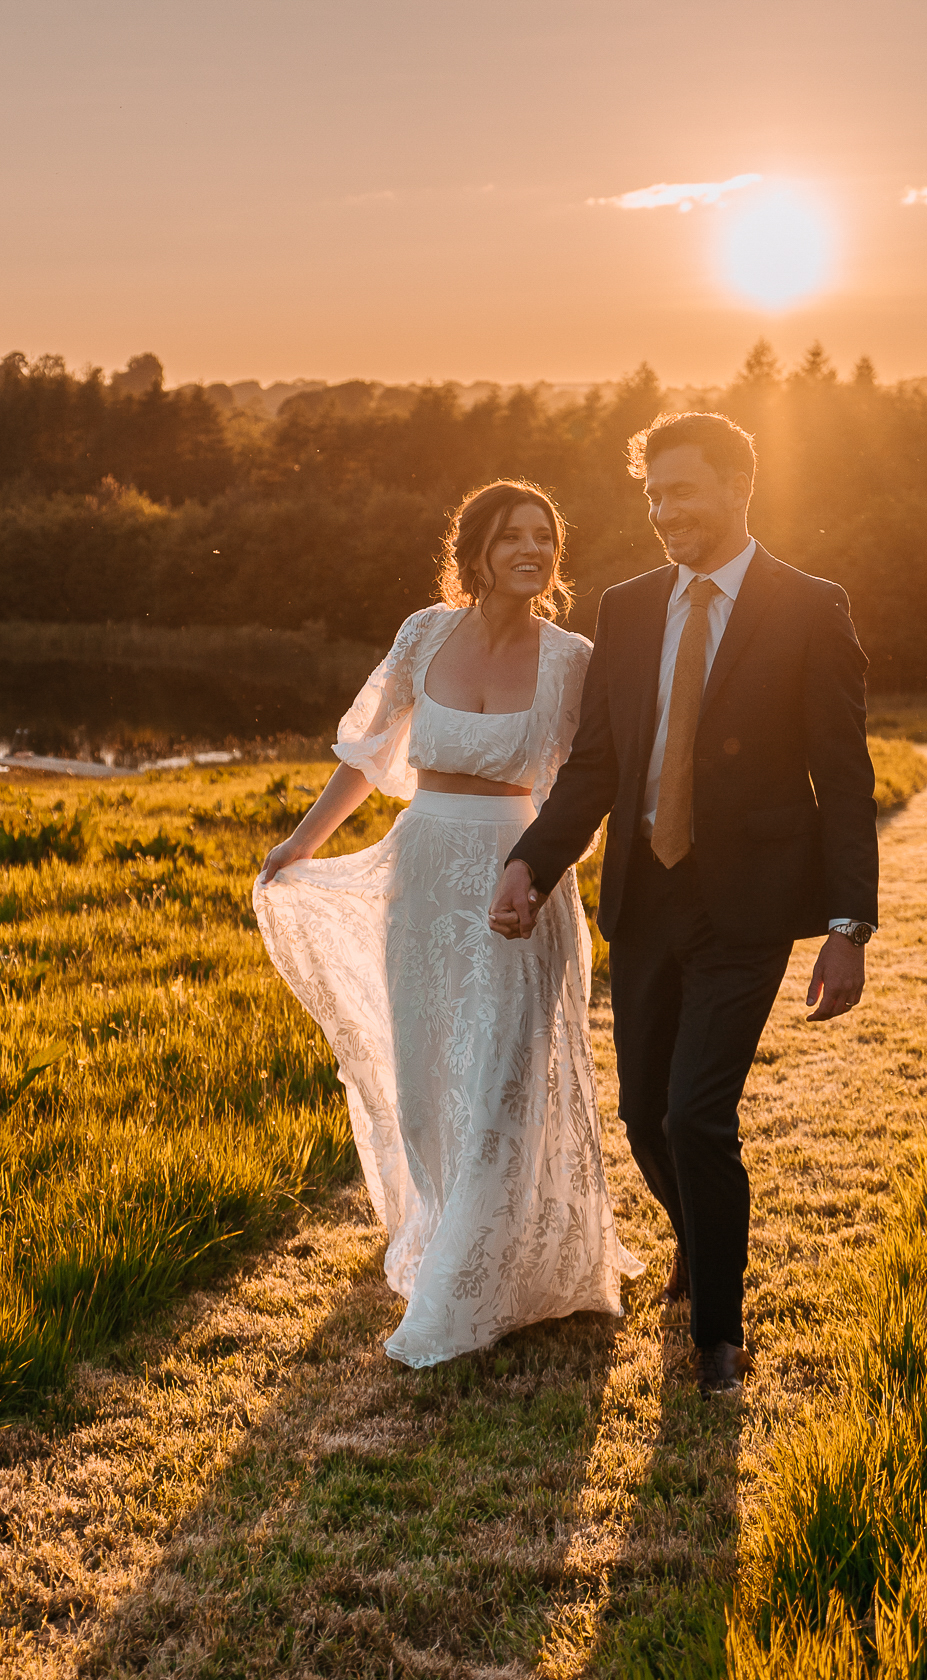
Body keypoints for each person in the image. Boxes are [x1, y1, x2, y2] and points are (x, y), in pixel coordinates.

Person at [488, 413, 878, 1398]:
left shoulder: (808, 606)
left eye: (683, 492)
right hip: (646, 902)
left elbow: (842, 773)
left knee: (697, 1116)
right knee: (643, 1119)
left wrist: (846, 926)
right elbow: (596, 767)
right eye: (653, 495)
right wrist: (531, 865)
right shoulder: (624, 609)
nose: (664, 512)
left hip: (747, 910)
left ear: (737, 487)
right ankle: (697, 1234)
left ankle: (717, 1330)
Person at [254, 481, 641, 1369]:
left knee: (507, 1074)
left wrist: (542, 880)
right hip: (423, 872)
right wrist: (302, 840)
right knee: (431, 1071)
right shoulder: (424, 633)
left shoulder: (572, 658)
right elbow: (367, 757)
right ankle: (449, 1235)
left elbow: (583, 788)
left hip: (518, 879)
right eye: (514, 536)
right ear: (476, 551)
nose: (533, 550)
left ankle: (475, 1285)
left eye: (546, 536)